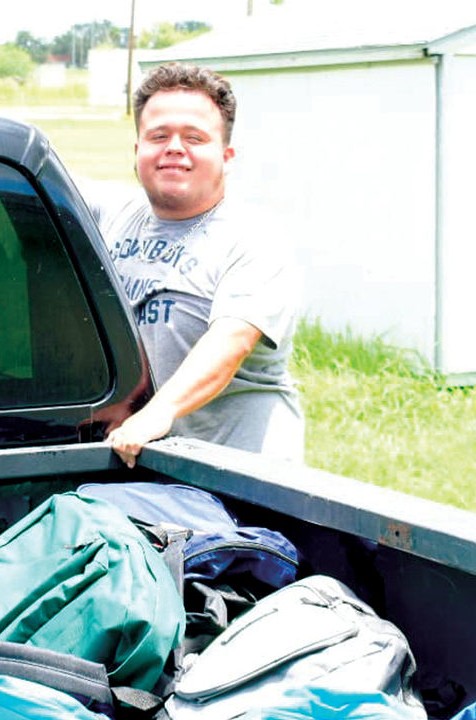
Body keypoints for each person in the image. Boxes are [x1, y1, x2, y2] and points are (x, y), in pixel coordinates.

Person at [89, 63, 303, 467]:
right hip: (152, 459)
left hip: (246, 479)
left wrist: (155, 413)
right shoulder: (116, 215)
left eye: (194, 137)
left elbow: (229, 342)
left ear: (226, 156)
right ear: (137, 151)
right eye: (158, 136)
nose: (174, 147)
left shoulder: (255, 240)